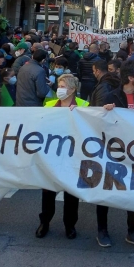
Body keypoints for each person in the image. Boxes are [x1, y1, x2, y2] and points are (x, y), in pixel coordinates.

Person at [100, 60, 134, 249]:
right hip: (113, 151)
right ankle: (102, 230)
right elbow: (95, 120)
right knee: (105, 189)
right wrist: (103, 112)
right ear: (130, 78)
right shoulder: (111, 96)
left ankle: (132, 231)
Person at [36, 74, 86, 240]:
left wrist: (79, 114)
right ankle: (45, 222)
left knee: (71, 192)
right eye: (59, 85)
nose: (59, 89)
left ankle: (70, 224)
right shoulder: (49, 105)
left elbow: (89, 127)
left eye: (63, 86)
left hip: (73, 155)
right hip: (52, 155)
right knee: (48, 190)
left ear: (72, 89)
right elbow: (40, 125)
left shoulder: (84, 105)